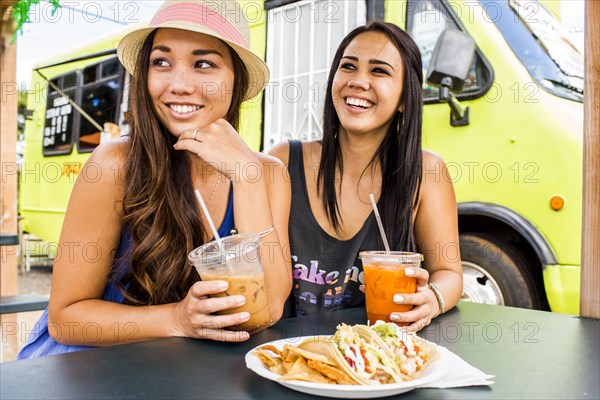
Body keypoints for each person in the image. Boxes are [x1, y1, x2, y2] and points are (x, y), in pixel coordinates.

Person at [18, 0, 291, 359]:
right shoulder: (115, 165)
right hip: (89, 368)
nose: (178, 84)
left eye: (203, 64)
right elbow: (66, 319)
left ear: (236, 79)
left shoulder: (267, 173)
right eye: (161, 62)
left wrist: (247, 178)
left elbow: (267, 311)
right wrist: (177, 319)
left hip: (186, 373)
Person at [269, 22, 462, 331]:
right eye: (348, 67)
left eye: (379, 71)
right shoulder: (282, 161)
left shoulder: (426, 172)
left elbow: (449, 272)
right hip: (286, 355)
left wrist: (432, 299)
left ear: (404, 99)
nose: (358, 81)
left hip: (377, 358)